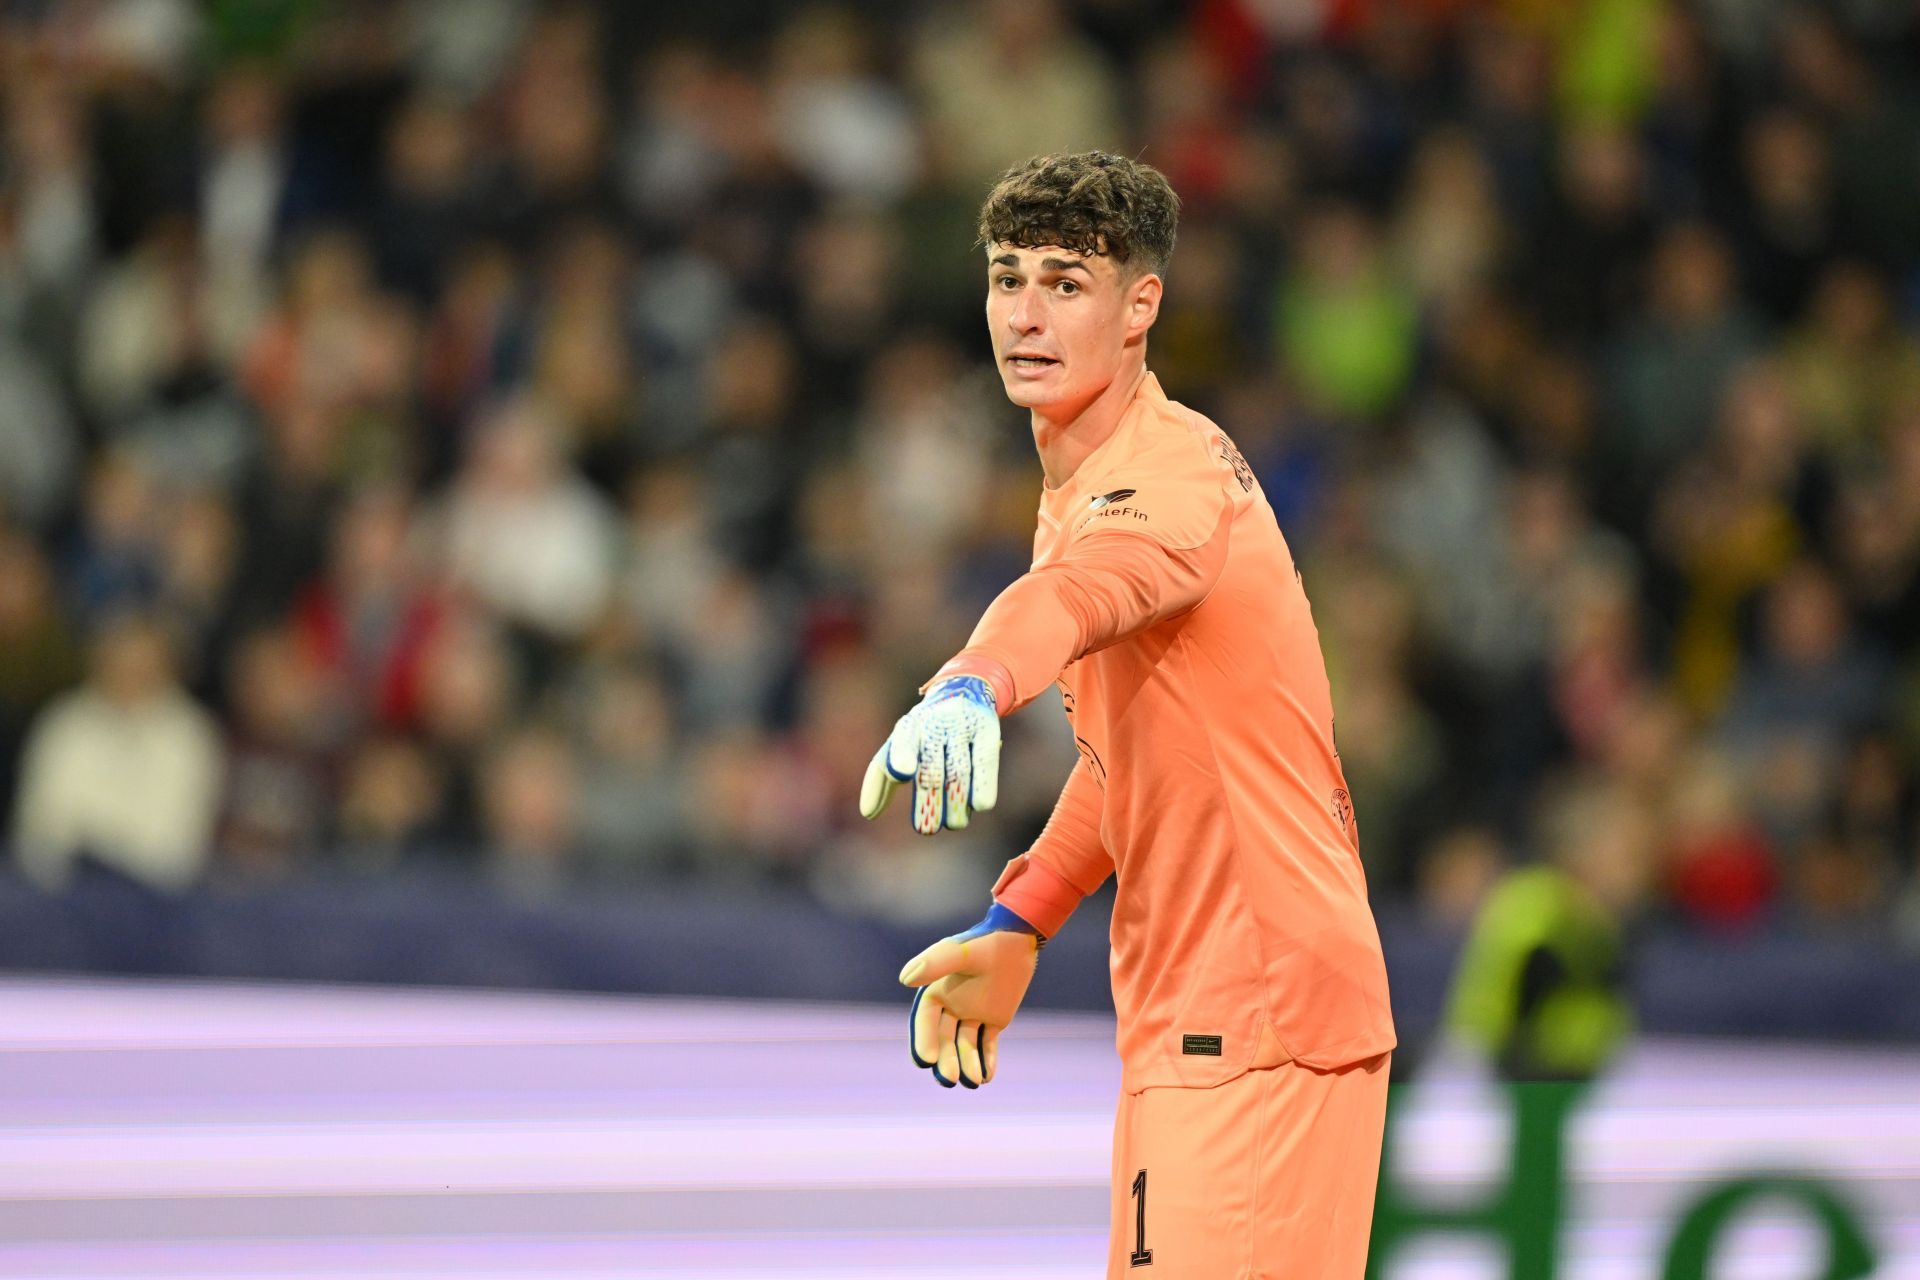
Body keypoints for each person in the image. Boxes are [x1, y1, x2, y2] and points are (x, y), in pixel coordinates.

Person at [859, 151, 1397, 1278]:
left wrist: (972, 680)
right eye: (1009, 278)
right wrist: (1022, 918)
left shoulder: (1173, 477)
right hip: (1199, 1019)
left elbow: (1077, 593)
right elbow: (1126, 764)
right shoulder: (1081, 485)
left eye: (1066, 282)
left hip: (1259, 1016)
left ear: (1140, 305)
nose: (1026, 313)